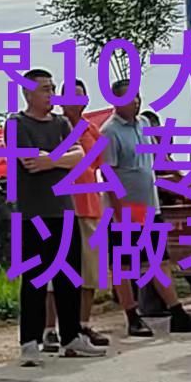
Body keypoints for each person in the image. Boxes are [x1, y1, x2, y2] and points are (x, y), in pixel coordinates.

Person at [99, 79, 191, 339]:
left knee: (160, 261)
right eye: (129, 97)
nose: (135, 102)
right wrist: (120, 213)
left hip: (150, 208)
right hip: (124, 211)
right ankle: (132, 316)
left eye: (137, 96)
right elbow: (108, 175)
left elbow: (159, 160)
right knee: (124, 266)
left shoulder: (144, 125)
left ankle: (177, 314)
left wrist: (185, 184)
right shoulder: (109, 132)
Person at [11, 70, 106, 364]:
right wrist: (61, 159)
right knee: (35, 279)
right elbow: (29, 161)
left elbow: (81, 156)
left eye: (52, 88)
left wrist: (51, 159)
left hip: (65, 210)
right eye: (44, 89)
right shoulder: (17, 124)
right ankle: (30, 342)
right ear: (27, 93)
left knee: (69, 277)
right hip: (33, 213)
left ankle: (72, 337)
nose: (50, 94)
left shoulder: (62, 123)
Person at [44, 80, 111, 350]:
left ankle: (82, 325)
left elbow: (100, 166)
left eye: (81, 96)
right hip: (61, 208)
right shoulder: (53, 127)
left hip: (90, 205)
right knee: (56, 272)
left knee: (90, 271)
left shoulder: (91, 129)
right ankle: (50, 329)